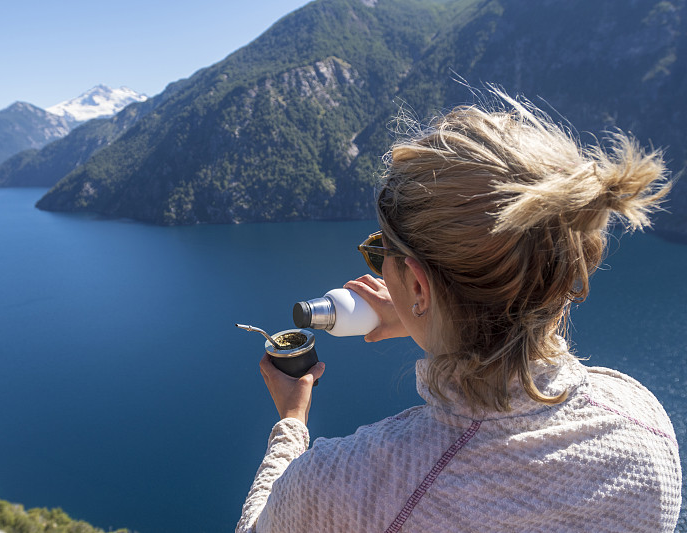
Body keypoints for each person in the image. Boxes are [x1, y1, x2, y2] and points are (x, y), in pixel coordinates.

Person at [236, 90, 682, 532]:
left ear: (416, 283)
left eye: (379, 253)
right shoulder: (644, 426)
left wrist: (291, 425)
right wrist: (421, 314)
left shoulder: (344, 486)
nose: (374, 263)